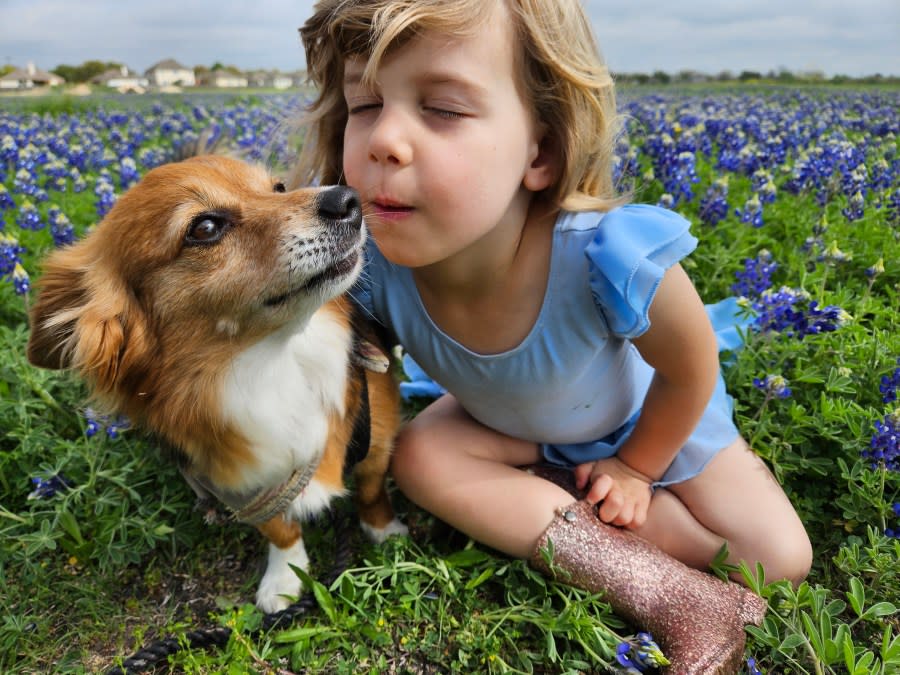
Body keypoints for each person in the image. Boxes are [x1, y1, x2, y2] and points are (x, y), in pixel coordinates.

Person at [294, 1, 812, 670]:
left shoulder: (607, 254)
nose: (384, 139)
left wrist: (636, 468)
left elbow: (689, 369)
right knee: (421, 457)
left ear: (540, 150)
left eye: (443, 109)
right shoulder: (372, 268)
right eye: (363, 103)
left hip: (643, 420)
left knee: (780, 559)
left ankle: (559, 497)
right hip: (510, 423)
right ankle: (668, 590)